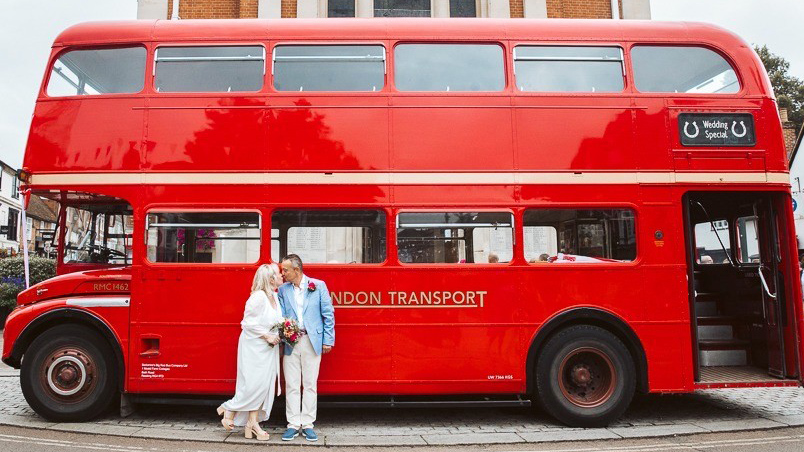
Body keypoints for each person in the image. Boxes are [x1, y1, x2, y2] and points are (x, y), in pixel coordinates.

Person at [217, 264, 283, 441]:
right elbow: (247, 323)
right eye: (278, 274)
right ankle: (229, 407)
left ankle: (251, 424)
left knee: (264, 385)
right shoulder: (258, 297)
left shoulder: (274, 297)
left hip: (268, 348)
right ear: (270, 279)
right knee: (254, 383)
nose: (282, 276)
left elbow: (277, 321)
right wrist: (267, 336)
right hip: (254, 346)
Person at [277, 254, 335, 442]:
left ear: (297, 270)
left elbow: (328, 314)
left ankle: (308, 424)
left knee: (310, 384)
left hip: (312, 340)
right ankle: (293, 424)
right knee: (292, 384)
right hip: (291, 342)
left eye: (285, 270)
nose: (282, 273)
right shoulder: (283, 290)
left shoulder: (318, 285)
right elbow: (281, 316)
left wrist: (328, 340)